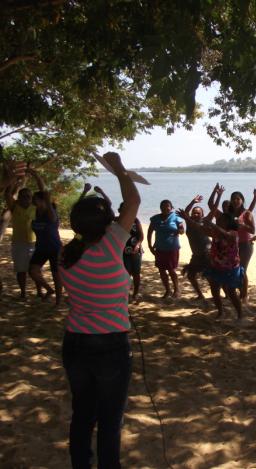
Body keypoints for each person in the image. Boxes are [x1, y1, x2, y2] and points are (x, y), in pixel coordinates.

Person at [58, 151, 140, 469]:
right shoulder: (110, 246)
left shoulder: (67, 255)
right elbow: (133, 201)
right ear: (107, 224)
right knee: (110, 420)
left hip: (75, 342)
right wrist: (119, 169)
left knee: (82, 414)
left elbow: (123, 209)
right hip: (110, 345)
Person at [178, 208, 244, 321]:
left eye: (222, 220)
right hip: (216, 266)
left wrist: (212, 225)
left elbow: (226, 235)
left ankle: (240, 315)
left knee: (231, 292)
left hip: (231, 268)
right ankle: (220, 312)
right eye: (219, 220)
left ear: (228, 222)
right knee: (214, 290)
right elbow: (199, 227)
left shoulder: (233, 233)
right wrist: (187, 218)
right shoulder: (215, 232)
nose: (219, 221)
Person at [27, 166, 63, 305]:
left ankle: (58, 301)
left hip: (55, 249)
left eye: (35, 199)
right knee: (33, 271)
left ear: (43, 201)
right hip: (41, 248)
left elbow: (44, 192)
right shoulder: (35, 212)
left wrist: (36, 175)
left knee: (56, 275)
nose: (33, 201)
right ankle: (49, 289)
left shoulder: (50, 214)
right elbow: (42, 194)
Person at [4, 177, 36, 299]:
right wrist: (13, 180)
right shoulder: (14, 207)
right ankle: (23, 292)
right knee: (21, 270)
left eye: (29, 196)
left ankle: (39, 291)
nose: (26, 198)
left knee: (34, 270)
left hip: (34, 243)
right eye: (23, 196)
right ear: (19, 197)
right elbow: (7, 194)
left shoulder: (35, 208)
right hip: (19, 243)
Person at [147, 199, 184, 298]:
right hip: (159, 248)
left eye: (167, 206)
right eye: (163, 206)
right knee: (162, 270)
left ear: (171, 208)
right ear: (160, 208)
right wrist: (150, 246)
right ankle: (167, 290)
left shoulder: (176, 217)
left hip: (172, 249)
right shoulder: (155, 219)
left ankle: (176, 289)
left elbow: (182, 230)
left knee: (171, 270)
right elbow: (149, 232)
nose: (165, 208)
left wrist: (180, 230)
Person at [182, 195, 212, 302]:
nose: (195, 214)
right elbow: (185, 212)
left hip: (207, 254)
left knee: (211, 277)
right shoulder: (189, 223)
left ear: (202, 215)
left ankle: (225, 295)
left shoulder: (204, 222)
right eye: (194, 213)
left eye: (198, 213)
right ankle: (200, 295)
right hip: (196, 255)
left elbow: (213, 210)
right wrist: (193, 202)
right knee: (191, 275)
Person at [229, 190, 256, 304]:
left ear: (242, 200)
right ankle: (238, 291)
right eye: (233, 199)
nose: (235, 201)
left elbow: (253, 230)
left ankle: (244, 295)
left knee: (242, 270)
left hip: (245, 245)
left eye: (238, 199)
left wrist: (243, 225)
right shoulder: (229, 213)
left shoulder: (247, 213)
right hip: (232, 244)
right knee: (233, 269)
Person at [118, 201, 144, 302]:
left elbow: (141, 236)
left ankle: (135, 293)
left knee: (136, 273)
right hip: (122, 251)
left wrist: (137, 245)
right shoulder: (116, 221)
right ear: (120, 210)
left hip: (135, 251)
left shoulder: (135, 220)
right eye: (123, 209)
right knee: (126, 273)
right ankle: (125, 293)